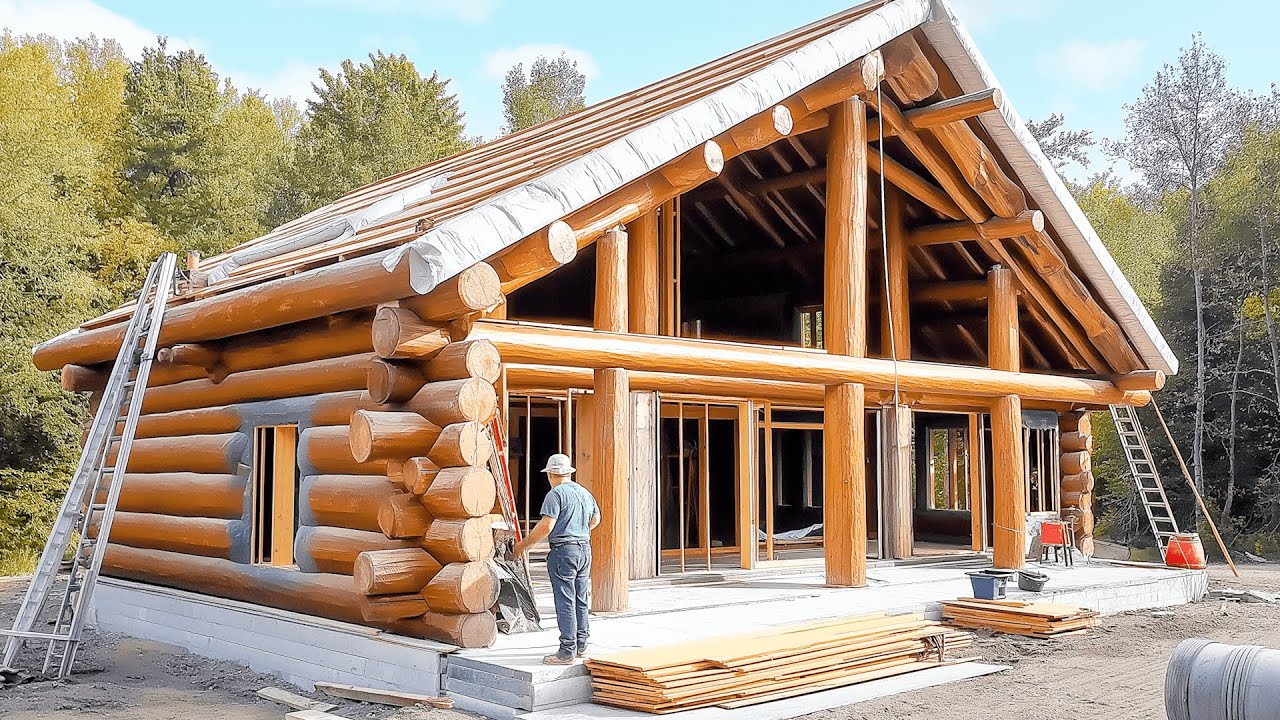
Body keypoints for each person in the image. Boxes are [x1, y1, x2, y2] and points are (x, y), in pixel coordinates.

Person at [513, 453, 600, 664]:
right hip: (584, 549)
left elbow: (546, 526)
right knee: (580, 598)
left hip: (564, 551)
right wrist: (578, 530)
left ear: (551, 474)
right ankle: (581, 644)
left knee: (565, 600)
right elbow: (596, 519)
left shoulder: (556, 494)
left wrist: (522, 546)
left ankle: (566, 651)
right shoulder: (584, 493)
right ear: (568, 472)